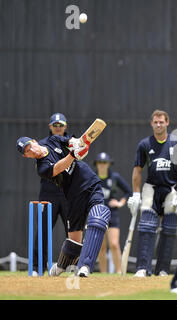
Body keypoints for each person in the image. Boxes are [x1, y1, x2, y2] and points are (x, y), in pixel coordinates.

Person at [16, 130, 110, 277]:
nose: (32, 151)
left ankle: (85, 266)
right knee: (74, 241)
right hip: (72, 196)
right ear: (26, 156)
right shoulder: (41, 168)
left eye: (30, 146)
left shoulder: (52, 140)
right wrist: (73, 154)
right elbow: (58, 167)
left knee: (98, 217)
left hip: (90, 183)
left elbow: (69, 141)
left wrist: (76, 144)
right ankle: (61, 266)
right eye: (27, 152)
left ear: (34, 141)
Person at [127, 109, 177, 277]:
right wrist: (135, 194)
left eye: (161, 121)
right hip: (151, 188)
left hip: (171, 189)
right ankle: (142, 268)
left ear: (167, 122)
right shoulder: (145, 144)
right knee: (146, 226)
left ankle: (162, 269)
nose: (159, 124)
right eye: (155, 122)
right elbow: (137, 170)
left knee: (169, 228)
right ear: (151, 124)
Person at [31, 113, 70, 276]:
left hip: (68, 192)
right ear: (50, 127)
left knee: (73, 229)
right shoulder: (42, 144)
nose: (58, 128)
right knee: (43, 230)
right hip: (49, 192)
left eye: (61, 125)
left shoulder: (72, 143)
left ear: (65, 126)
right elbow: (40, 167)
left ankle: (73, 265)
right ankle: (37, 267)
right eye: (55, 125)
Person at [93, 152, 132, 273]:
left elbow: (128, 191)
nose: (102, 165)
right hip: (98, 214)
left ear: (109, 164)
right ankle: (104, 274)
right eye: (100, 162)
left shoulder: (114, 177)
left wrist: (120, 202)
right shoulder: (93, 177)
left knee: (114, 244)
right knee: (101, 246)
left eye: (105, 162)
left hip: (112, 213)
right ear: (97, 164)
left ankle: (119, 271)